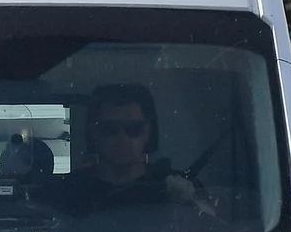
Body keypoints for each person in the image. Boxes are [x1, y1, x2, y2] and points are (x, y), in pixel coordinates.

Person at [63, 84, 217, 218]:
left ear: (149, 132)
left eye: (133, 129)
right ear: (93, 133)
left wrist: (189, 202)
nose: (122, 139)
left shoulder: (179, 187)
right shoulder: (68, 192)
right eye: (109, 129)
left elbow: (213, 227)